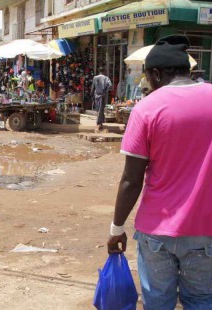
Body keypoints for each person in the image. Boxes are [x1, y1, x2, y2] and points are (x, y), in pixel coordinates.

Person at [107, 35, 212, 309]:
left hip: (157, 232)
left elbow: (131, 179)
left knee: (157, 303)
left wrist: (117, 228)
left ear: (156, 73)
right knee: (202, 301)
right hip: (206, 228)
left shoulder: (146, 109)